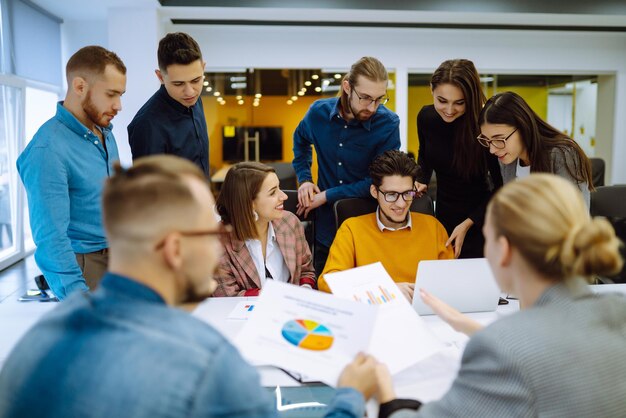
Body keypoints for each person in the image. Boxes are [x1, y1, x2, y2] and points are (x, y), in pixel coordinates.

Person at [0, 155, 379, 418]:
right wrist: (349, 395)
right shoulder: (206, 362)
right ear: (176, 249)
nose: (219, 237)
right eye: (207, 228)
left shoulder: (38, 335)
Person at [351, 174, 626, 417]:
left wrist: (381, 391)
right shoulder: (618, 310)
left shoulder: (502, 349)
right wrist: (470, 327)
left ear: (504, 250)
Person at [17, 46, 126, 299]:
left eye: (121, 95)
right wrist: (77, 298)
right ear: (80, 87)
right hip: (87, 268)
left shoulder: (104, 133)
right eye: (111, 94)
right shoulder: (47, 150)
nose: (118, 105)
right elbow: (51, 239)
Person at [293, 56, 400, 276]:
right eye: (366, 98)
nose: (373, 107)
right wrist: (305, 179)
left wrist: (326, 195)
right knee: (326, 299)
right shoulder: (318, 113)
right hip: (327, 231)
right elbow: (301, 140)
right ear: (347, 87)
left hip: (368, 233)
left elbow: (380, 181)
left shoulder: (388, 124)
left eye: (380, 99)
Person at [319, 150, 454, 301]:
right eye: (391, 195)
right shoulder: (351, 229)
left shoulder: (433, 227)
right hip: (375, 318)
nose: (401, 203)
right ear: (374, 192)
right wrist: (387, 290)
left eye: (408, 193)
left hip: (427, 318)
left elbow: (451, 284)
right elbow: (327, 283)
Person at [416, 59, 502, 259]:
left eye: (459, 103)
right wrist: (421, 179)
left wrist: (469, 222)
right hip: (443, 215)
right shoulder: (426, 118)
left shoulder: (484, 126)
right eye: (442, 100)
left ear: (470, 99)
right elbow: (425, 155)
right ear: (431, 89)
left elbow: (501, 187)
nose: (449, 110)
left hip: (481, 218)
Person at [213, 162, 316, 296]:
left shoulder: (290, 222)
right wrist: (281, 296)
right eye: (273, 192)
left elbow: (306, 270)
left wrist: (305, 291)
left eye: (279, 188)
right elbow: (227, 295)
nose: (284, 196)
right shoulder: (218, 242)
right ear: (249, 203)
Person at [477, 90, 593, 206]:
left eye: (499, 139)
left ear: (523, 127)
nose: (492, 150)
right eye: (488, 140)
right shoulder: (508, 160)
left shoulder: (563, 155)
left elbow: (577, 217)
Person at [128, 32, 209, 177]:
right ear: (160, 77)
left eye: (196, 80)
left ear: (203, 68)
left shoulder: (196, 102)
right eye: (178, 84)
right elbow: (149, 191)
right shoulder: (147, 125)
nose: (190, 91)